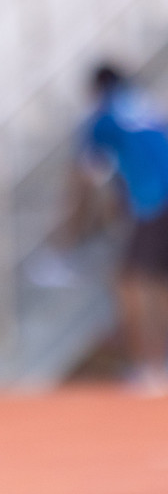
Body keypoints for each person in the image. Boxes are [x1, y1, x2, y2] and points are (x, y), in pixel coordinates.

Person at [57, 64, 168, 393]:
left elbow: (83, 178)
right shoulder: (148, 107)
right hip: (157, 197)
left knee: (132, 284)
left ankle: (150, 367)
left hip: (153, 200)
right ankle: (157, 365)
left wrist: (68, 238)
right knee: (159, 283)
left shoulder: (102, 118)